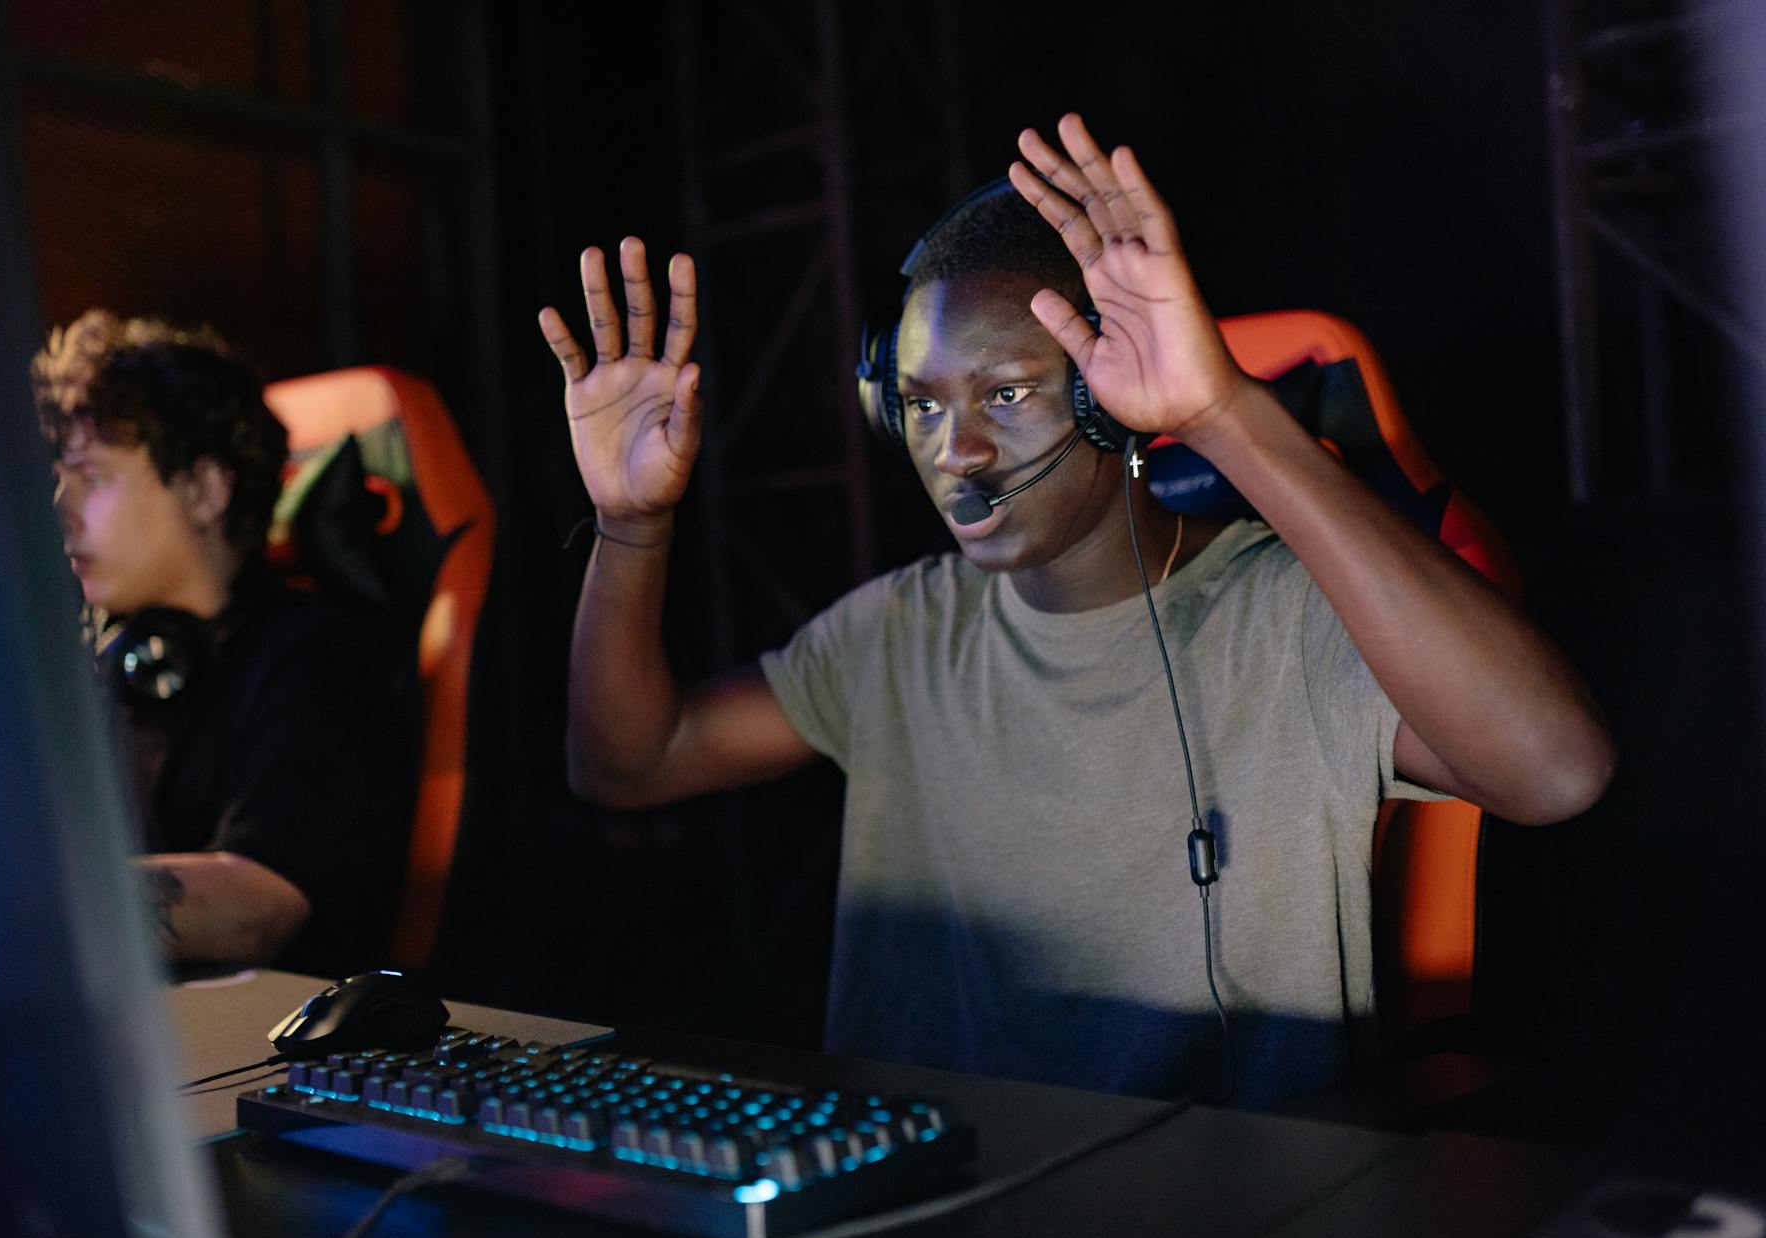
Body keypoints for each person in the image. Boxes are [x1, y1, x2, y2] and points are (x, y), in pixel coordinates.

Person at [539, 114, 1615, 1105]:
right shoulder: (897, 634)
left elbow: (1557, 769)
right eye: (919, 406)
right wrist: (631, 527)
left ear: (1106, 397)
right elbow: (626, 763)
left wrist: (1219, 411)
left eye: (1005, 395)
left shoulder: (1286, 620)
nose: (956, 451)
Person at [36, 310, 414, 977]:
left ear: (206, 490)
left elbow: (259, 907)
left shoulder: (313, 661)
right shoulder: (101, 673)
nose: (61, 508)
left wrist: (8, 905)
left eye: (93, 478)